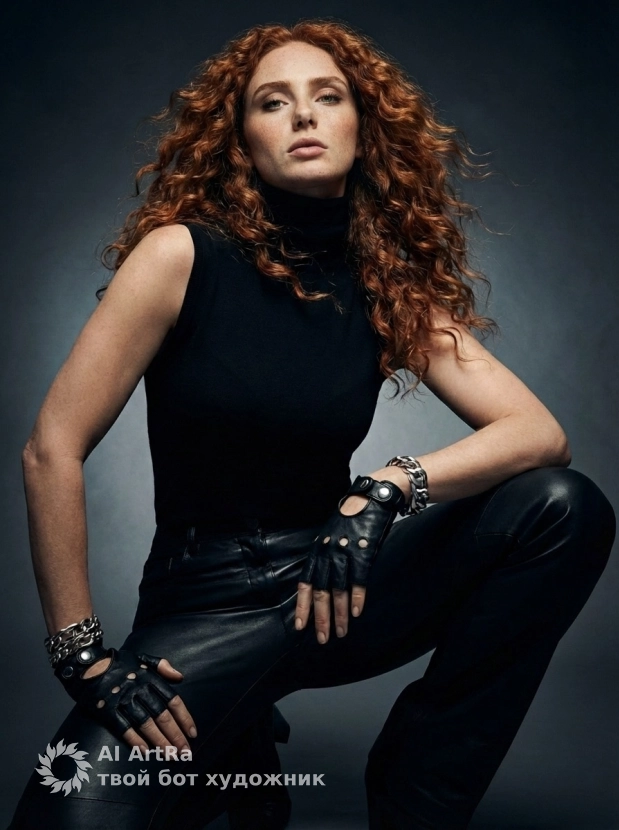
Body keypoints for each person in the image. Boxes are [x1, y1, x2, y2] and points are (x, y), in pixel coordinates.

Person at [9, 18, 616, 830]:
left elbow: (538, 433)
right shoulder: (179, 256)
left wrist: (386, 489)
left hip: (336, 585)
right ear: (240, 140)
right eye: (272, 102)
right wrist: (82, 657)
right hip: (206, 607)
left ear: (363, 128)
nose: (302, 114)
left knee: (561, 508)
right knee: (65, 821)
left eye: (327, 96)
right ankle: (238, 737)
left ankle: (415, 796)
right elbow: (51, 448)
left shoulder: (383, 281)